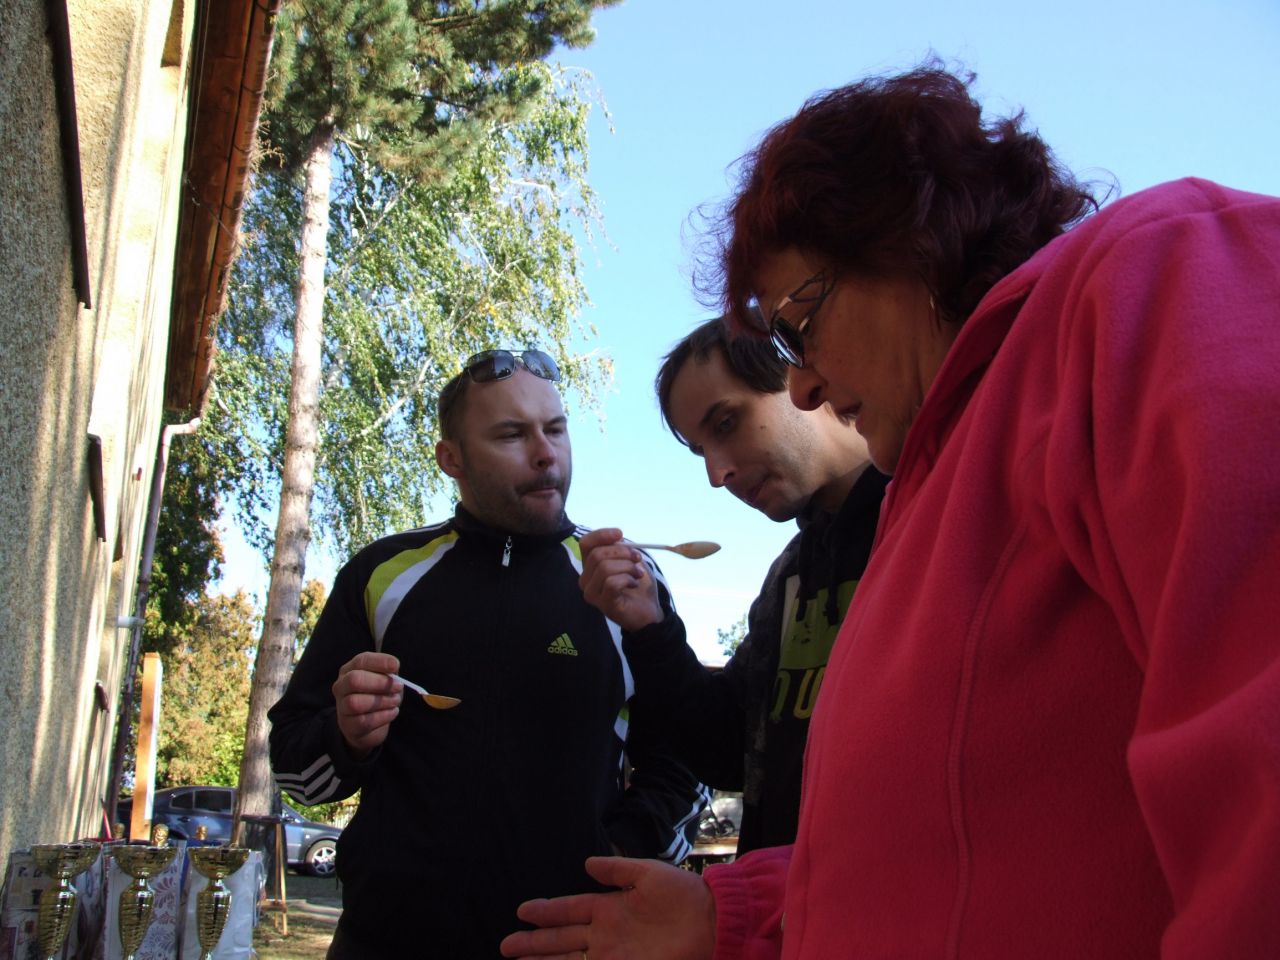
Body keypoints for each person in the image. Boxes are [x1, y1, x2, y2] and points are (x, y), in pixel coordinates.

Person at [501, 65, 1280, 959]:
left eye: (798, 328)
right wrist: (740, 914)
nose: (806, 383)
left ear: (902, 238)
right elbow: (954, 838)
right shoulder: (893, 517)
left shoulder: (1153, 276)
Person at [268, 348, 708, 959]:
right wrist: (346, 736)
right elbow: (295, 771)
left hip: (565, 942)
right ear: (452, 459)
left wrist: (617, 853)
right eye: (511, 435)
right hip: (384, 941)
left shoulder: (624, 578)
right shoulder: (382, 574)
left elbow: (687, 756)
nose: (545, 453)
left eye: (556, 429)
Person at [578, 316, 886, 854]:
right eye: (701, 451)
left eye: (726, 424)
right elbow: (729, 752)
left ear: (802, 376)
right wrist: (650, 628)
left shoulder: (940, 521)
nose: (716, 475)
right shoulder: (789, 578)